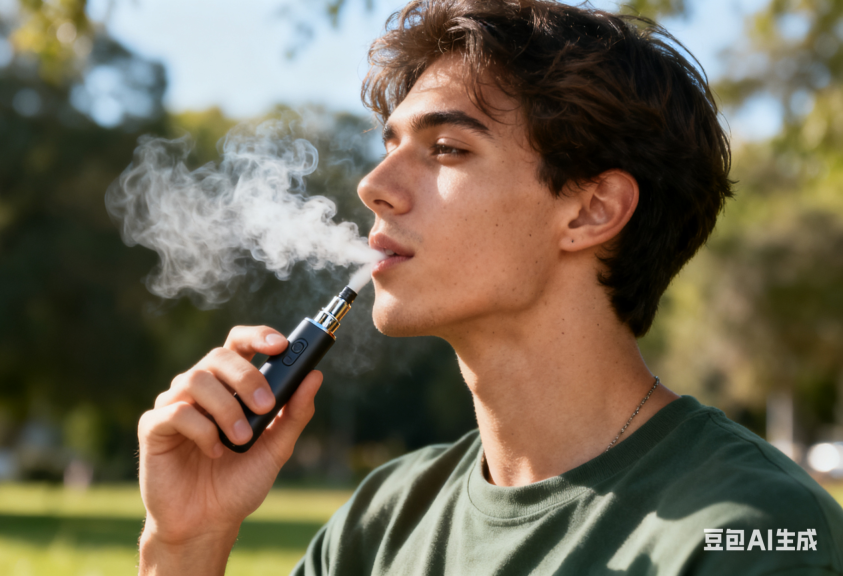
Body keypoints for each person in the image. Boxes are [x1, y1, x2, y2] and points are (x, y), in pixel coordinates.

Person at [135, 0, 843, 574]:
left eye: (447, 149)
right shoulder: (382, 521)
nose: (373, 187)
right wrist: (186, 543)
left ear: (590, 211)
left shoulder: (752, 533)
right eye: (389, 148)